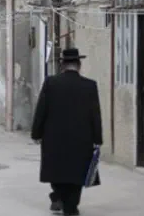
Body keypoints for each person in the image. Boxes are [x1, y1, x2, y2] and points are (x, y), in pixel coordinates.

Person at [31, 48, 103, 216]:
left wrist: (36, 133)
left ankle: (59, 197)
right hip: (81, 138)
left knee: (57, 171)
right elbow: (95, 114)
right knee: (76, 173)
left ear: (62, 65)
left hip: (54, 138)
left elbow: (41, 110)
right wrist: (97, 138)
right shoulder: (89, 85)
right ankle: (70, 205)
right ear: (79, 65)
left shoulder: (51, 83)